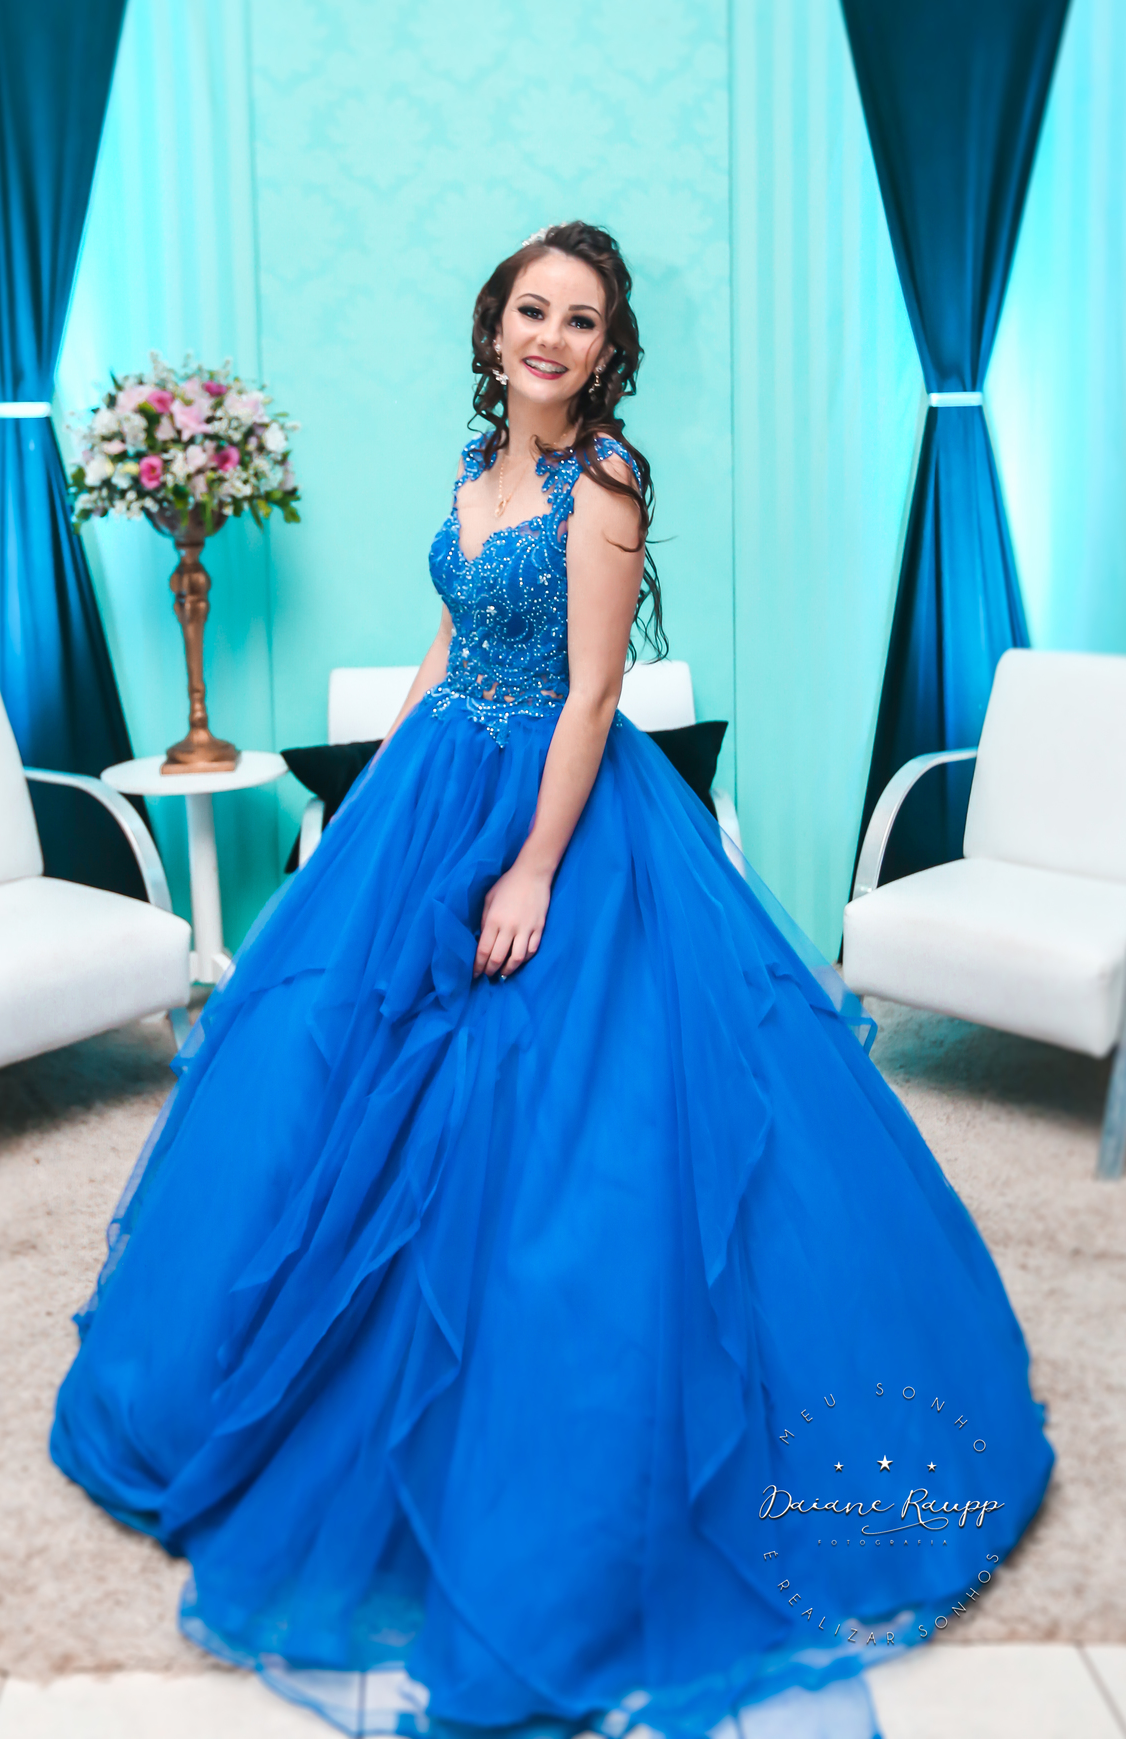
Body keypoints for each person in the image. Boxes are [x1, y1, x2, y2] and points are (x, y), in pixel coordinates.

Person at [52, 221, 1053, 1739]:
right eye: (533, 310)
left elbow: (590, 695)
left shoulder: (608, 486)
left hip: (560, 814)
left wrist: (526, 869)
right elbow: (452, 634)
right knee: (335, 1085)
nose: (550, 338)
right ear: (496, 327)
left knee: (560, 1119)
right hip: (436, 782)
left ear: (605, 351)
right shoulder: (477, 465)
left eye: (581, 321)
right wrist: (374, 792)